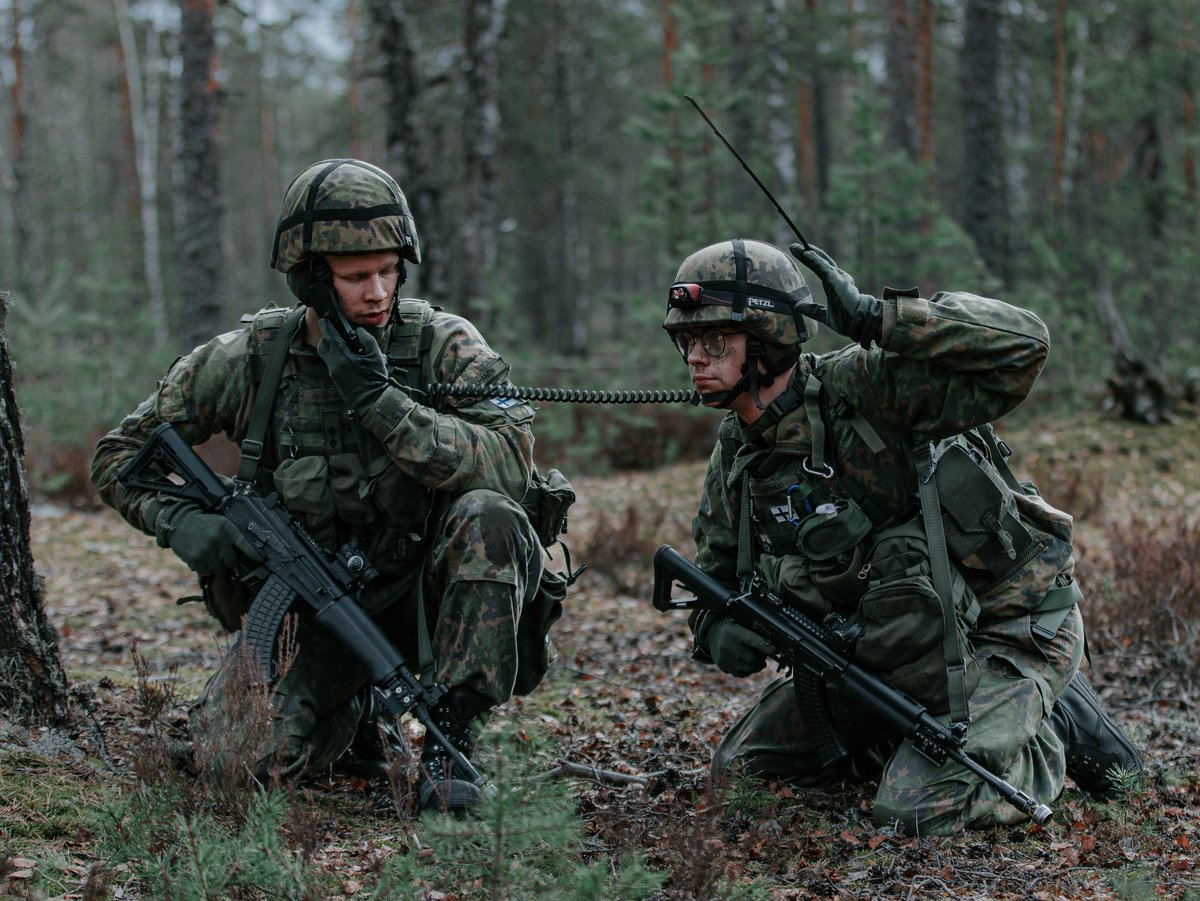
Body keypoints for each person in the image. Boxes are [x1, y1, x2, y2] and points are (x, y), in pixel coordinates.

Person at [91, 158, 554, 813]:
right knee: (231, 757)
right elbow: (119, 455)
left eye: (389, 270)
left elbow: (510, 460)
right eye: (355, 277)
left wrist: (381, 403)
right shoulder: (257, 356)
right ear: (310, 279)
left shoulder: (441, 346)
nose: (378, 293)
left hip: (429, 599)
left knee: (491, 515)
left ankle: (451, 734)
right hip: (315, 612)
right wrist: (181, 523)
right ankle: (349, 710)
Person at [663, 237, 1142, 835]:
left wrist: (879, 319)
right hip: (882, 661)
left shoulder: (868, 391)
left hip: (1001, 632)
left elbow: (1024, 347)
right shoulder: (740, 454)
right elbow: (715, 579)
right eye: (688, 342)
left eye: (715, 343)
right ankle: (913, 743)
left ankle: (1045, 731)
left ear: (767, 341)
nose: (695, 360)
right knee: (743, 774)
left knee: (916, 812)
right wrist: (717, 629)